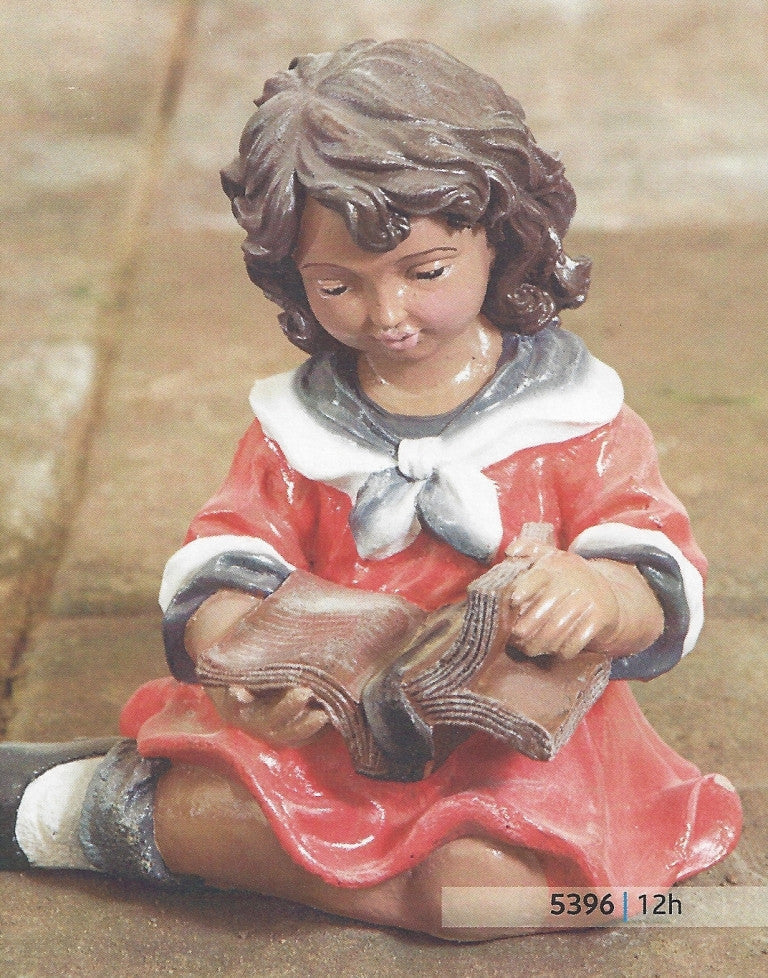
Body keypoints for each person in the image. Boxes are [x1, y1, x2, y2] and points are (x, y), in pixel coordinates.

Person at [0, 39, 741, 941]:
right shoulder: (297, 430)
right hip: (328, 746)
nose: (385, 317)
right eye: (337, 285)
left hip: (509, 754)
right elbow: (229, 556)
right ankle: (120, 814)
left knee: (477, 887)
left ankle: (124, 817)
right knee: (229, 807)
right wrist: (246, 663)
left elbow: (654, 559)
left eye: (424, 273)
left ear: (501, 235)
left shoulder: (573, 419)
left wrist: (598, 593)